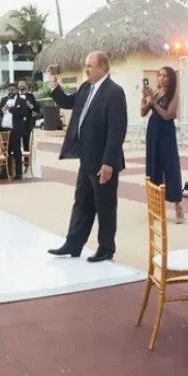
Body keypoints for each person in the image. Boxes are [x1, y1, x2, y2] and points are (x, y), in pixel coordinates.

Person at [47, 51, 127, 262]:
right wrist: (55, 86)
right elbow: (66, 102)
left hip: (103, 161)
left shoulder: (114, 92)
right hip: (86, 157)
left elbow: (117, 130)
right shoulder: (86, 88)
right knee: (82, 202)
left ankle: (106, 248)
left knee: (105, 205)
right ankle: (73, 244)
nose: (86, 69)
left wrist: (108, 162)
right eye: (86, 65)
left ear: (102, 67)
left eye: (90, 66)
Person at [142, 66, 184, 223]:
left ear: (171, 78)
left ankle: (178, 206)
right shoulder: (155, 93)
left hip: (166, 133)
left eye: (165, 76)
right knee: (154, 166)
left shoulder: (174, 94)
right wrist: (145, 99)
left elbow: (168, 115)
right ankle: (157, 207)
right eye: (159, 75)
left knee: (170, 166)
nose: (161, 78)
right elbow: (142, 112)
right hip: (153, 131)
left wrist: (155, 104)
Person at [0, 83, 28, 180]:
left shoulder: (21, 101)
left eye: (12, 89)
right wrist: (3, 109)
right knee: (5, 152)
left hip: (15, 130)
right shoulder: (3, 100)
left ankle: (18, 173)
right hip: (3, 130)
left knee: (16, 151)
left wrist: (12, 109)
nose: (10, 91)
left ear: (17, 90)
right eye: (9, 90)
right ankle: (5, 172)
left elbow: (23, 113)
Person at [17, 79, 37, 154]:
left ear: (26, 86)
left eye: (23, 84)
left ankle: (26, 163)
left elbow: (37, 107)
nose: (21, 85)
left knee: (27, 143)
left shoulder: (30, 96)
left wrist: (31, 106)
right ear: (18, 86)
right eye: (20, 84)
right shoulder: (15, 96)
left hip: (27, 123)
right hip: (17, 124)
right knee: (17, 144)